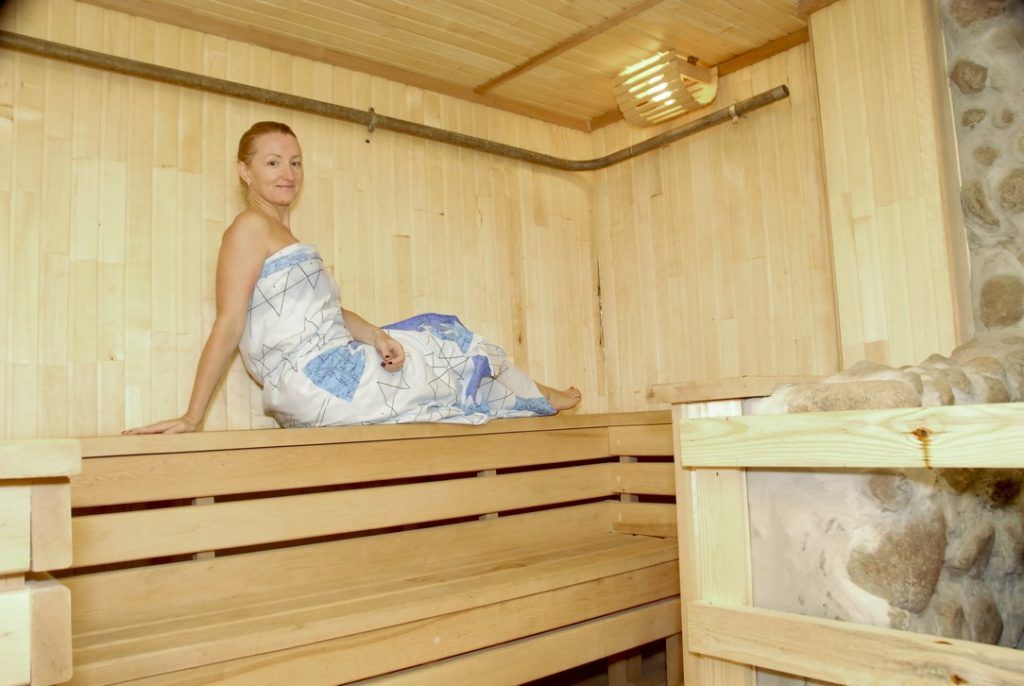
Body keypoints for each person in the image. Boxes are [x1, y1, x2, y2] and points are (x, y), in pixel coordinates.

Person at [125, 121, 581, 434]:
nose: (288, 173)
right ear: (245, 171)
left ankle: (532, 399)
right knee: (446, 342)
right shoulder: (249, 228)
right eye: (273, 162)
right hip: (316, 380)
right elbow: (229, 322)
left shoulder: (281, 236)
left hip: (321, 381)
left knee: (419, 348)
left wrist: (378, 336)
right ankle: (541, 397)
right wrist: (193, 416)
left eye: (296, 162)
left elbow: (330, 314)